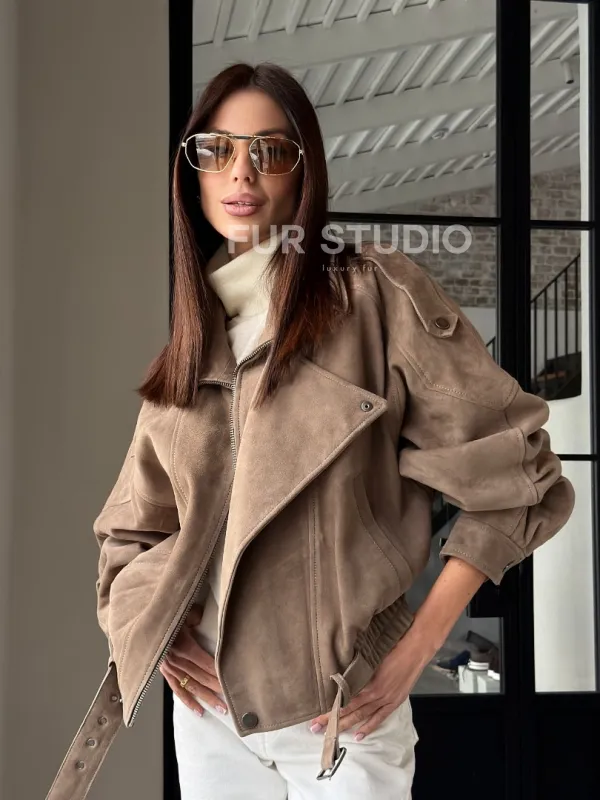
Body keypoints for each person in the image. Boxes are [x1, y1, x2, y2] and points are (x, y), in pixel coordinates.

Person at [45, 62, 576, 800]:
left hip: (342, 717)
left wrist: (414, 650)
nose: (241, 173)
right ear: (192, 174)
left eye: (270, 150)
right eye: (217, 150)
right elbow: (131, 533)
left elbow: (518, 481)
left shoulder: (374, 294)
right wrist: (155, 632)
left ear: (304, 172)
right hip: (209, 719)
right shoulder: (194, 342)